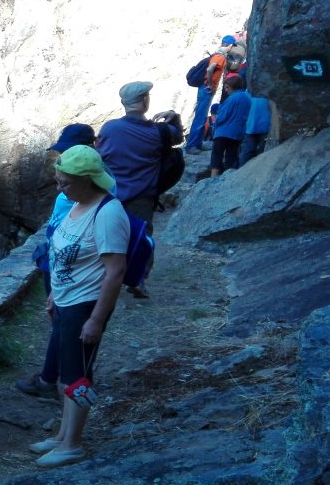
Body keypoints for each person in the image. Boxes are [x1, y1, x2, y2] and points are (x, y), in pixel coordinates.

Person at [29, 145, 129, 468]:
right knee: (65, 373)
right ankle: (62, 435)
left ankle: (73, 444)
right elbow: (66, 255)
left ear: (88, 179)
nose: (60, 188)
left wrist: (96, 320)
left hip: (85, 305)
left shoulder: (108, 213)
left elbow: (115, 272)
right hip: (65, 301)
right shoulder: (77, 203)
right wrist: (54, 294)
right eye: (58, 181)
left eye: (65, 183)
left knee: (77, 376)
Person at [18, 123, 95, 398]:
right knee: (62, 324)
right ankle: (60, 378)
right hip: (60, 261)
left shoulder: (92, 196)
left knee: (64, 326)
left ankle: (55, 381)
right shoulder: (78, 187)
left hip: (68, 267)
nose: (63, 158)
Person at [94, 81, 183, 230]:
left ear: (123, 103)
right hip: (142, 200)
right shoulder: (160, 132)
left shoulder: (109, 128)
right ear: (145, 100)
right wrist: (174, 117)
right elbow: (179, 137)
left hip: (111, 197)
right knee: (141, 240)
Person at [186, 36, 233, 153]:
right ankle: (191, 146)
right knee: (200, 117)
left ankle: (198, 143)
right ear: (230, 45)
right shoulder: (220, 57)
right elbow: (209, 69)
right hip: (206, 89)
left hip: (205, 88)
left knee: (202, 116)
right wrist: (210, 84)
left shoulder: (217, 54)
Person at [209, 75, 251, 177]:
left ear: (232, 87)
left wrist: (215, 124)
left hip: (223, 133)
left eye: (227, 87)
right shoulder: (247, 98)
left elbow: (222, 116)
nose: (226, 90)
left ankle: (212, 179)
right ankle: (228, 178)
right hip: (237, 134)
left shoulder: (231, 99)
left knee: (216, 157)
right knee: (231, 158)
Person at [239, 95, 272, 167]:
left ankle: (243, 170)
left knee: (249, 152)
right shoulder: (249, 92)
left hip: (254, 127)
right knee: (259, 153)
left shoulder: (249, 92)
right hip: (259, 127)